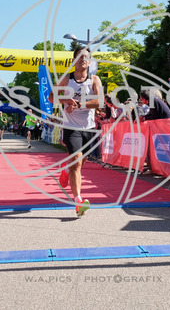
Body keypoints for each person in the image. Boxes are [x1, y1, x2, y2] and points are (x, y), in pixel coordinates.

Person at [49, 46, 103, 217]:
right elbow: (51, 97)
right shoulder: (66, 79)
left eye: (86, 57)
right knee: (77, 161)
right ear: (74, 61)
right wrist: (66, 100)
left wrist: (79, 104)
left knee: (81, 161)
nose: (83, 60)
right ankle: (78, 201)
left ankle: (66, 169)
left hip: (89, 127)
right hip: (71, 126)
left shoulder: (94, 80)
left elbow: (100, 101)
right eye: (80, 57)